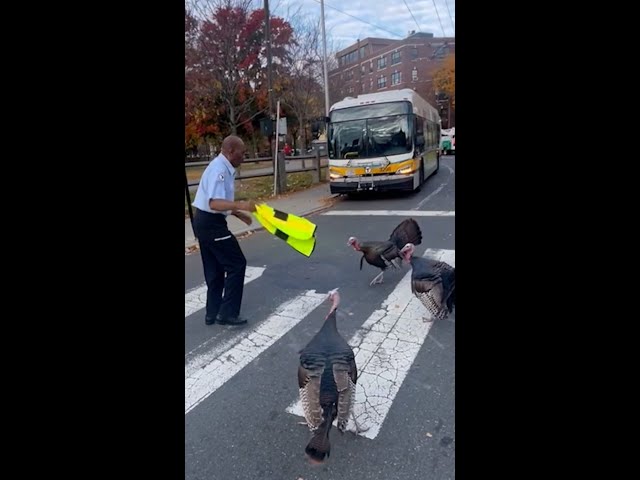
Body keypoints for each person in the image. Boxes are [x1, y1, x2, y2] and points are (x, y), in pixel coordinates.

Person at [192, 135, 257, 326]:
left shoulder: (222, 167)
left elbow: (217, 202)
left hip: (204, 222)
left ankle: (212, 313)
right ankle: (227, 313)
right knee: (237, 264)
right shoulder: (219, 170)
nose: (244, 157)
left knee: (215, 269)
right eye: (242, 153)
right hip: (212, 224)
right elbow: (214, 202)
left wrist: (237, 213)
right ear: (230, 151)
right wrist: (243, 205)